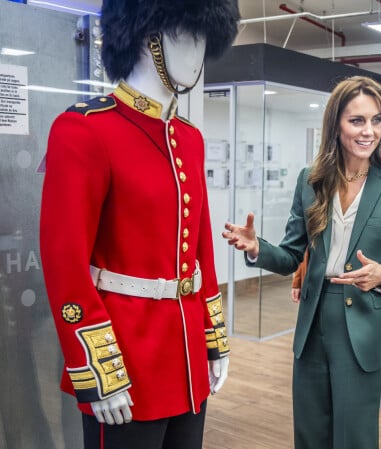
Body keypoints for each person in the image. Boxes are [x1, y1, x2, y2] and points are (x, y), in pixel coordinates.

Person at [39, 1, 239, 448]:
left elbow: (199, 253)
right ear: (149, 40)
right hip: (126, 359)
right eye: (187, 36)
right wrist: (96, 367)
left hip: (187, 359)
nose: (198, 53)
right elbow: (64, 265)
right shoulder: (84, 130)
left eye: (204, 39)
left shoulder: (189, 139)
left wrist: (213, 340)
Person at [223, 75, 381, 449]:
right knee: (310, 433)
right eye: (357, 120)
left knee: (354, 437)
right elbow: (290, 256)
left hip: (363, 321)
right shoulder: (311, 180)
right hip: (314, 323)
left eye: (377, 120)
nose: (369, 131)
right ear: (335, 124)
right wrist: (255, 248)